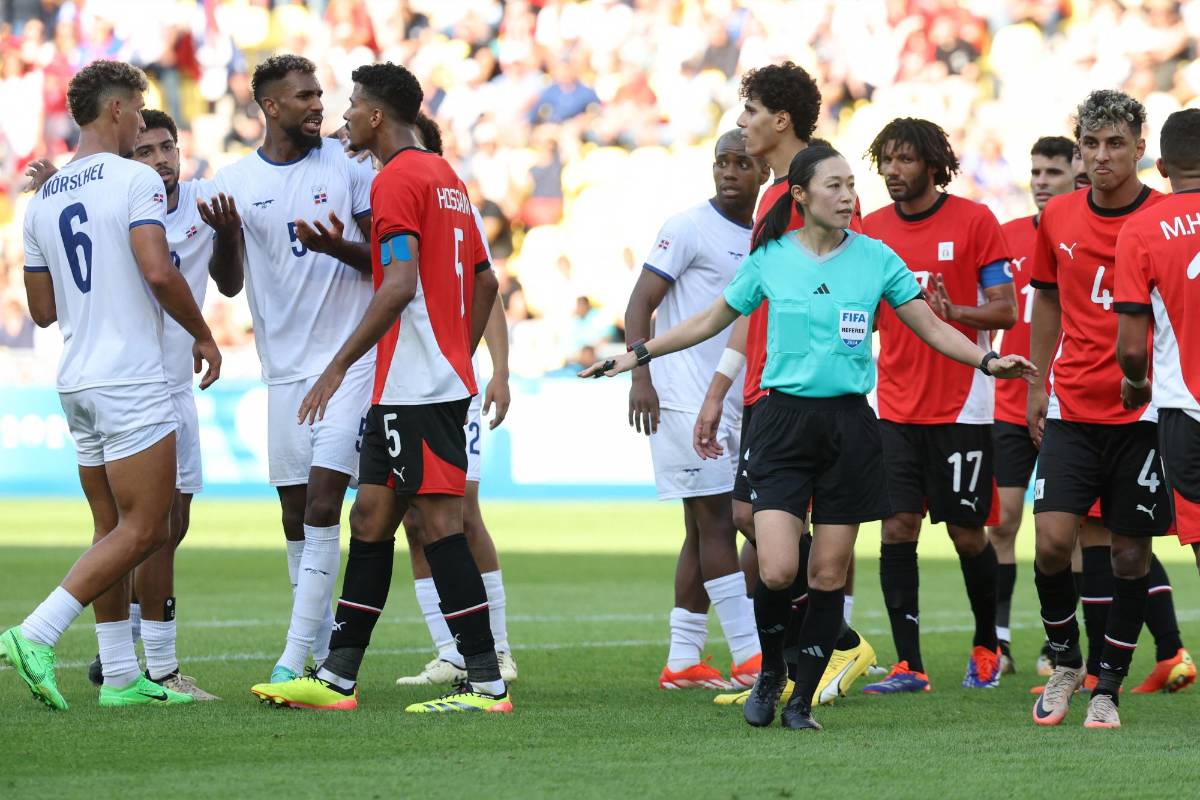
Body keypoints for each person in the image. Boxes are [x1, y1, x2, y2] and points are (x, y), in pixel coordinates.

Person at [582, 146, 1036, 732]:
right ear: (800, 195)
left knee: (826, 575)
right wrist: (636, 354)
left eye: (852, 186)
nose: (849, 196)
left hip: (849, 427)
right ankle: (773, 671)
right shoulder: (770, 258)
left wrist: (987, 361)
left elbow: (928, 325)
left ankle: (800, 698)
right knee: (775, 569)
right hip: (781, 425)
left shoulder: (876, 258)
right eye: (834, 186)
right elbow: (709, 321)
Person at [250, 61, 506, 713]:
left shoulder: (395, 180)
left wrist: (338, 366)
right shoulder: (446, 178)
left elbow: (396, 285)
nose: (341, 117)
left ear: (375, 116)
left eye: (352, 105)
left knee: (441, 523)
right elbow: (483, 279)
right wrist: (460, 350)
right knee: (370, 516)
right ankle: (336, 678)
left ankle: (485, 682)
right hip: (416, 380)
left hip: (416, 383)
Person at [0, 60, 221, 709]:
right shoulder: (135, 179)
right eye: (138, 110)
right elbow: (157, 270)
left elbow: (41, 310)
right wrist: (204, 333)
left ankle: (122, 677)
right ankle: (34, 634)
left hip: (77, 380)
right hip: (131, 376)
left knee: (109, 526)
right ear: (119, 110)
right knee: (150, 527)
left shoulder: (46, 196)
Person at [694, 63, 876, 709]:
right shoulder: (778, 196)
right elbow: (755, 304)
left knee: (798, 528)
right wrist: (722, 387)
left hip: (802, 394)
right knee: (753, 517)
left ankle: (826, 653)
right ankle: (824, 646)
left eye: (749, 111)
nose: (740, 124)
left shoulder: (808, 193)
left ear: (781, 120)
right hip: (770, 389)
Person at [211, 54, 377, 686]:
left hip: (347, 365)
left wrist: (337, 245)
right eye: (304, 96)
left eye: (321, 93)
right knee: (293, 513)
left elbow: (381, 265)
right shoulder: (235, 180)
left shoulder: (350, 165)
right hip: (282, 374)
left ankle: (291, 659)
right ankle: (310, 649)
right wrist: (228, 236)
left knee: (323, 506)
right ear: (270, 107)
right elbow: (227, 284)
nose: (318, 104)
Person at [1027, 89, 1169, 729]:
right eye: (1092, 143)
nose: (1103, 155)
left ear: (1142, 147)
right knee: (1053, 543)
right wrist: (1036, 384)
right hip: (1072, 406)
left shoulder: (1169, 218)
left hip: (1145, 415)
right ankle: (1065, 661)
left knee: (1131, 557)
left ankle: (1107, 685)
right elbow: (1049, 301)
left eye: (1116, 143)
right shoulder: (1057, 216)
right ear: (1080, 147)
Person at [860, 117, 1016, 694]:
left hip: (962, 408)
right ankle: (910, 665)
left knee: (967, 535)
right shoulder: (870, 230)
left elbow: (1004, 311)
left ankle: (985, 644)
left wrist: (956, 316)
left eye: (904, 160)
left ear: (931, 163)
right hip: (894, 405)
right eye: (885, 161)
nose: (892, 172)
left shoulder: (975, 221)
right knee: (896, 527)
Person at [626, 129, 767, 691]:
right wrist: (642, 374)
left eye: (742, 163)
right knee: (717, 520)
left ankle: (683, 659)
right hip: (685, 394)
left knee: (699, 527)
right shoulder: (687, 227)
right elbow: (641, 301)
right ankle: (749, 655)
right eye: (721, 162)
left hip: (736, 398)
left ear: (764, 173)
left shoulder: (766, 235)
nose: (729, 172)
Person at [393, 114, 518, 687]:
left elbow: (486, 288)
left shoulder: (451, 205)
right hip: (403, 385)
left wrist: (498, 370)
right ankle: (451, 650)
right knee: (415, 521)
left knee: (461, 513)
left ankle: (498, 650)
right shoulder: (391, 203)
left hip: (450, 387)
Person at [1113, 107, 1200, 689]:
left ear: (1161, 165)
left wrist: (1135, 381)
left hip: (1182, 410)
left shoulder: (1141, 229)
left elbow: (1131, 347)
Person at [989, 135, 1076, 675]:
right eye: (1035, 171)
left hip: (1068, 402)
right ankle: (998, 641)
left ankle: (1061, 644)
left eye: (1052, 172)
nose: (1041, 181)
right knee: (1004, 523)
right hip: (1007, 400)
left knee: (1070, 532)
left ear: (1076, 173)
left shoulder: (1081, 232)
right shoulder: (1006, 237)